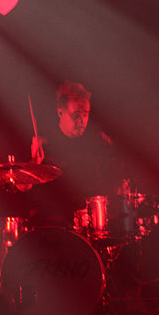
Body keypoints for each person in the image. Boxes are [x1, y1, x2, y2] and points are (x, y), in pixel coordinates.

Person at [30, 81, 122, 223]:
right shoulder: (43, 144)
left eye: (85, 114)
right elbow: (22, 186)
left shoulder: (97, 143)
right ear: (60, 112)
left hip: (90, 223)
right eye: (76, 114)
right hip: (55, 224)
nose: (82, 120)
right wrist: (34, 164)